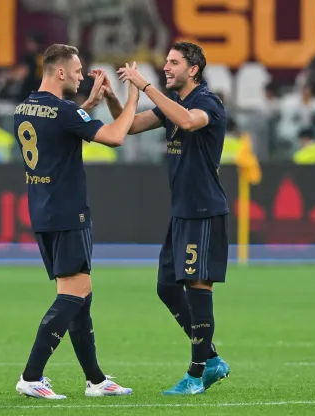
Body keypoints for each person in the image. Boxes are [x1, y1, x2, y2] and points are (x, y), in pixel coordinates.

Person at [13, 44, 140, 400]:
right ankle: (31, 375)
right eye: (79, 70)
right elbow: (115, 138)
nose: (83, 76)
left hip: (42, 212)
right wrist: (132, 97)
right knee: (74, 294)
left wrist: (87, 108)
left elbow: (59, 131)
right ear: (60, 72)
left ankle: (96, 380)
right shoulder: (64, 111)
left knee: (80, 294)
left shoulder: (24, 107)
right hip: (69, 212)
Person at [111, 41, 230, 395]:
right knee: (166, 287)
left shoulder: (207, 102)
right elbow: (130, 127)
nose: (166, 67)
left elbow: (189, 122)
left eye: (174, 62)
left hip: (204, 211)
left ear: (193, 69)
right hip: (181, 212)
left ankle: (196, 375)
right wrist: (114, 96)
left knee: (197, 287)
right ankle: (211, 359)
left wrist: (146, 85)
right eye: (165, 62)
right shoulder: (174, 104)